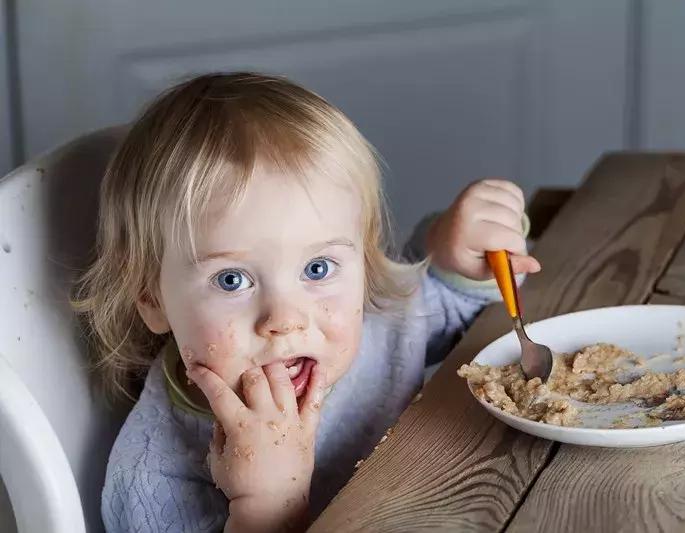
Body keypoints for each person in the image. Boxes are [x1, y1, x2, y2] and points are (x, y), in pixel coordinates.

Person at [73, 72, 540, 532]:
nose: (286, 320)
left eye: (317, 268)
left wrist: (458, 254)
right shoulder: (155, 478)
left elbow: (453, 307)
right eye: (232, 280)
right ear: (151, 298)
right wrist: (267, 507)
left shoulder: (374, 327)